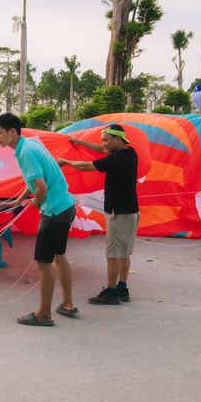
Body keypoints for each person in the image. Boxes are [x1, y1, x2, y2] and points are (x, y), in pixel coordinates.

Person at [0, 113, 77, 326]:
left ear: (12, 131)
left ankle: (43, 314)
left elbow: (41, 188)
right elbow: (36, 180)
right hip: (67, 207)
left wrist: (35, 203)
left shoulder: (26, 153)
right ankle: (67, 304)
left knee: (43, 263)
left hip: (54, 212)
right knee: (60, 256)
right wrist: (18, 200)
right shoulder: (30, 144)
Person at [57, 124, 139, 305]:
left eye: (107, 140)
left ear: (118, 139)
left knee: (113, 254)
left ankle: (111, 293)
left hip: (118, 213)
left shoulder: (116, 159)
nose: (104, 144)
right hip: (131, 210)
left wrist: (65, 162)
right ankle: (122, 289)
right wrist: (79, 142)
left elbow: (87, 166)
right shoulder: (130, 152)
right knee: (124, 253)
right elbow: (102, 149)